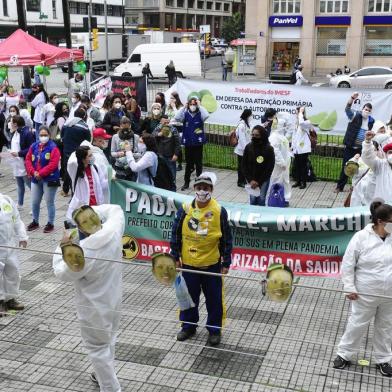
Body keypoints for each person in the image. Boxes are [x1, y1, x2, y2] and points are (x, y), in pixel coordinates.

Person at [53, 204, 124, 390]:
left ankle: (111, 387)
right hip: (114, 299)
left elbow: (61, 272)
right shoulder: (114, 230)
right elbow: (115, 209)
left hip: (93, 308)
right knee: (109, 339)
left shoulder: (84, 252)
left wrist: (63, 246)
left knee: (97, 347)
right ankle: (101, 373)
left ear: (81, 228)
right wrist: (90, 211)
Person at [170, 172, 233, 346]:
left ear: (211, 190)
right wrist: (175, 256)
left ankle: (214, 330)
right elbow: (175, 233)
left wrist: (226, 262)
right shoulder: (185, 209)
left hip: (211, 265)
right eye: (199, 188)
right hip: (189, 264)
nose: (202, 191)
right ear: (194, 189)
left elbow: (226, 238)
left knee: (214, 300)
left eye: (206, 188)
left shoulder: (219, 211)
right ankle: (188, 326)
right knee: (188, 298)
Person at [333, 200, 392, 377]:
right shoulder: (361, 237)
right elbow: (348, 264)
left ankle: (383, 359)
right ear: (381, 221)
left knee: (386, 327)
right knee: (357, 324)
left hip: (389, 295)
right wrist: (349, 287)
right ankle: (344, 354)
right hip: (365, 293)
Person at [335, 92, 375, 193]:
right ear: (362, 109)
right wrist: (352, 98)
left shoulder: (371, 121)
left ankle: (355, 187)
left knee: (360, 168)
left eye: (369, 111)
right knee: (346, 166)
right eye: (365, 109)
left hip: (361, 149)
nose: (367, 111)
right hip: (350, 147)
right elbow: (347, 108)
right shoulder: (355, 116)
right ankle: (339, 187)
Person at [25, 126, 61, 233]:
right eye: (41, 135)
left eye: (45, 135)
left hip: (49, 179)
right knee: (35, 202)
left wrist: (40, 173)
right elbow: (28, 160)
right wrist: (33, 172)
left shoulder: (53, 147)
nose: (43, 137)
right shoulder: (34, 146)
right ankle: (35, 221)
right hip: (36, 179)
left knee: (49, 202)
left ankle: (50, 223)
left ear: (49, 136)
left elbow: (53, 164)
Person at [0, 192, 28, 315]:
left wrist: (22, 236)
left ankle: (10, 299)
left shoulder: (6, 199)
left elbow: (16, 219)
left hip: (10, 245)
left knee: (13, 272)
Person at [174, 97, 209, 190]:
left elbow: (206, 116)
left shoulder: (200, 114)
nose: (192, 106)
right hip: (188, 143)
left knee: (198, 164)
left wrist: (200, 105)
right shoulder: (185, 114)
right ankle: (186, 183)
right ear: (188, 105)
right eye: (191, 104)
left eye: (194, 104)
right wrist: (184, 107)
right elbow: (177, 117)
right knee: (189, 164)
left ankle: (199, 183)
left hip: (198, 143)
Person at [66, 145, 108, 221]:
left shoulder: (95, 167)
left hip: (96, 206)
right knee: (84, 231)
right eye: (90, 155)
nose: (93, 157)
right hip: (83, 208)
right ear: (83, 158)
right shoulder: (76, 171)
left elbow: (103, 184)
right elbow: (71, 162)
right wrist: (80, 153)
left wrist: (112, 180)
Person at [61, 107, 91, 197]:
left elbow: (62, 136)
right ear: (84, 116)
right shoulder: (84, 127)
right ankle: (74, 193)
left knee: (68, 170)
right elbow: (87, 141)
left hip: (67, 150)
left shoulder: (66, 124)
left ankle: (65, 189)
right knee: (75, 173)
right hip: (78, 153)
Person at [242, 125, 275, 206]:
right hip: (251, 179)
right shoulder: (248, 147)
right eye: (252, 135)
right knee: (252, 200)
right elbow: (243, 165)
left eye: (257, 135)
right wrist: (250, 180)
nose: (254, 137)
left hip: (263, 180)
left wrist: (259, 181)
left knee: (261, 199)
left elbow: (269, 167)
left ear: (262, 136)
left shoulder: (269, 149)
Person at [10, 115, 35, 209]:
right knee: (20, 185)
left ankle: (35, 206)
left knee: (31, 186)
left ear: (15, 124)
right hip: (16, 163)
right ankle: (20, 204)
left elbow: (31, 148)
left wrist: (19, 153)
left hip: (24, 163)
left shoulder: (27, 133)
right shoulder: (15, 132)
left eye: (11, 122)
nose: (10, 124)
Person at [267, 113, 292, 206]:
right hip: (278, 165)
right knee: (275, 181)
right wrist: (282, 163)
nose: (285, 127)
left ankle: (285, 198)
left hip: (285, 165)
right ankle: (273, 199)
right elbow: (275, 151)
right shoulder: (274, 137)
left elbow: (285, 149)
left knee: (285, 181)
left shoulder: (282, 136)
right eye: (283, 125)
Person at [361, 131, 392, 203]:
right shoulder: (380, 165)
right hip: (382, 208)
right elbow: (368, 156)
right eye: (390, 152)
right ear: (386, 155)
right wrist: (368, 142)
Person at [153, 118, 180, 190]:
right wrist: (158, 134)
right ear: (161, 122)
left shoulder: (173, 129)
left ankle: (172, 189)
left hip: (170, 156)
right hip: (160, 155)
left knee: (172, 174)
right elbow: (152, 137)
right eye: (165, 122)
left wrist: (176, 154)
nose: (167, 124)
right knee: (162, 174)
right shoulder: (158, 129)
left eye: (168, 122)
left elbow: (178, 143)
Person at [111, 116, 140, 181]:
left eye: (127, 128)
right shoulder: (115, 137)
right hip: (119, 168)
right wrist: (119, 154)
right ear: (120, 126)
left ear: (130, 126)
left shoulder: (136, 137)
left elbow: (139, 154)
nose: (125, 131)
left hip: (131, 168)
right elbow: (112, 153)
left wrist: (129, 153)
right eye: (123, 128)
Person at [291, 107, 313, 190]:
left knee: (303, 166)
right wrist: (292, 146)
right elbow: (294, 136)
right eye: (296, 113)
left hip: (303, 149)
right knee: (297, 165)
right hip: (297, 148)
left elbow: (301, 123)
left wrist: (300, 113)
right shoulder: (296, 123)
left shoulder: (306, 122)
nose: (296, 114)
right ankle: (298, 181)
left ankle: (304, 182)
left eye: (297, 113)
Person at [234, 109, 252, 187]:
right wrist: (246, 149)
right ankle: (240, 181)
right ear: (247, 115)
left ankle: (244, 180)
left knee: (245, 166)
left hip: (246, 149)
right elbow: (242, 138)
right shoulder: (242, 125)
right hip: (242, 150)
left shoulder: (246, 124)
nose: (251, 117)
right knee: (241, 167)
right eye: (251, 115)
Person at [167, 92, 184, 171]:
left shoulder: (181, 107)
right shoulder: (168, 107)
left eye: (173, 98)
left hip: (178, 128)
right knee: (171, 146)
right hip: (170, 127)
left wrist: (174, 107)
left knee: (178, 146)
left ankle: (180, 164)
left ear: (177, 99)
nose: (171, 100)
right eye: (170, 98)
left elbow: (179, 117)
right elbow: (166, 115)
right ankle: (171, 161)